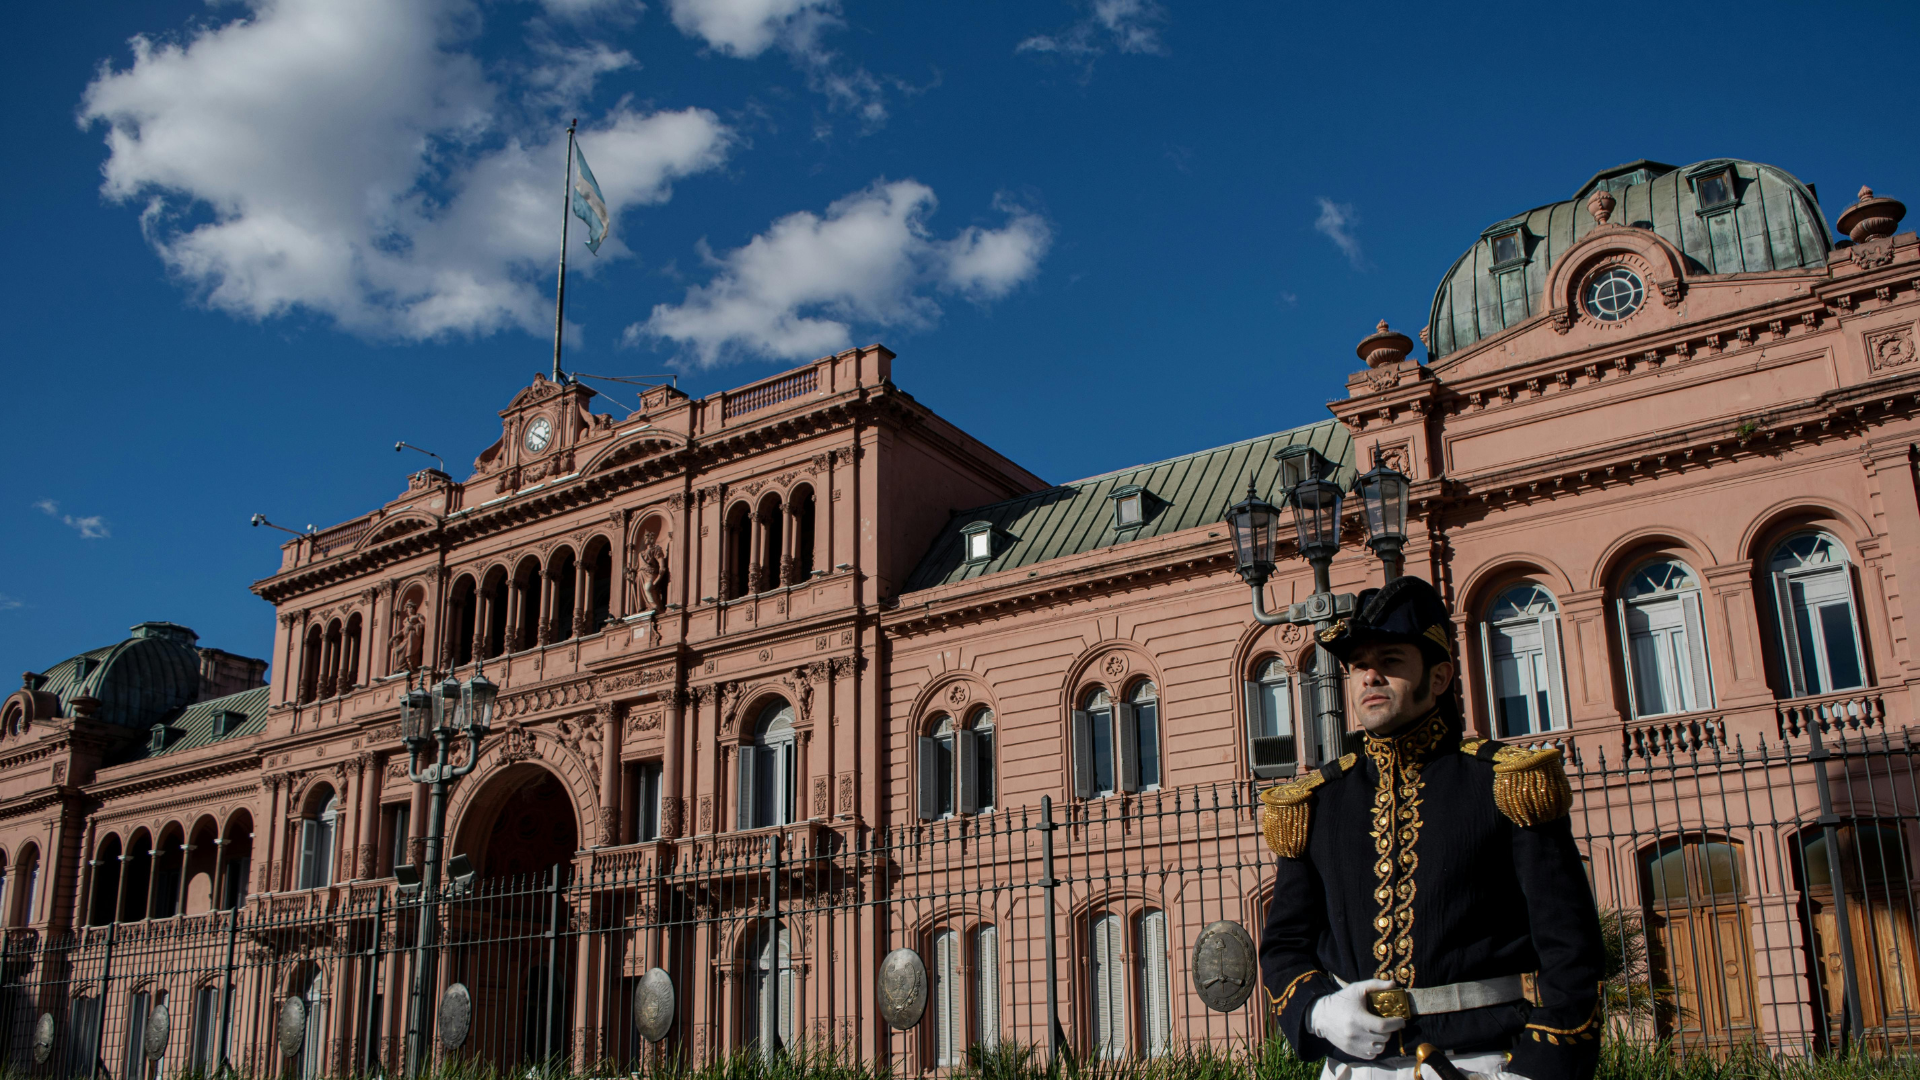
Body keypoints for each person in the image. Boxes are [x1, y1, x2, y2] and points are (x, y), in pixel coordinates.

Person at [1257, 575, 1604, 1080]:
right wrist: (1318, 1011)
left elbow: (1571, 950)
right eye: (1358, 666)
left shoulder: (1503, 784)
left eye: (1390, 660)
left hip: (1482, 1063)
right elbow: (1285, 946)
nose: (1370, 677)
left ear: (1439, 678)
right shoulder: (1318, 802)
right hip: (1355, 1070)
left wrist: (1533, 1072)